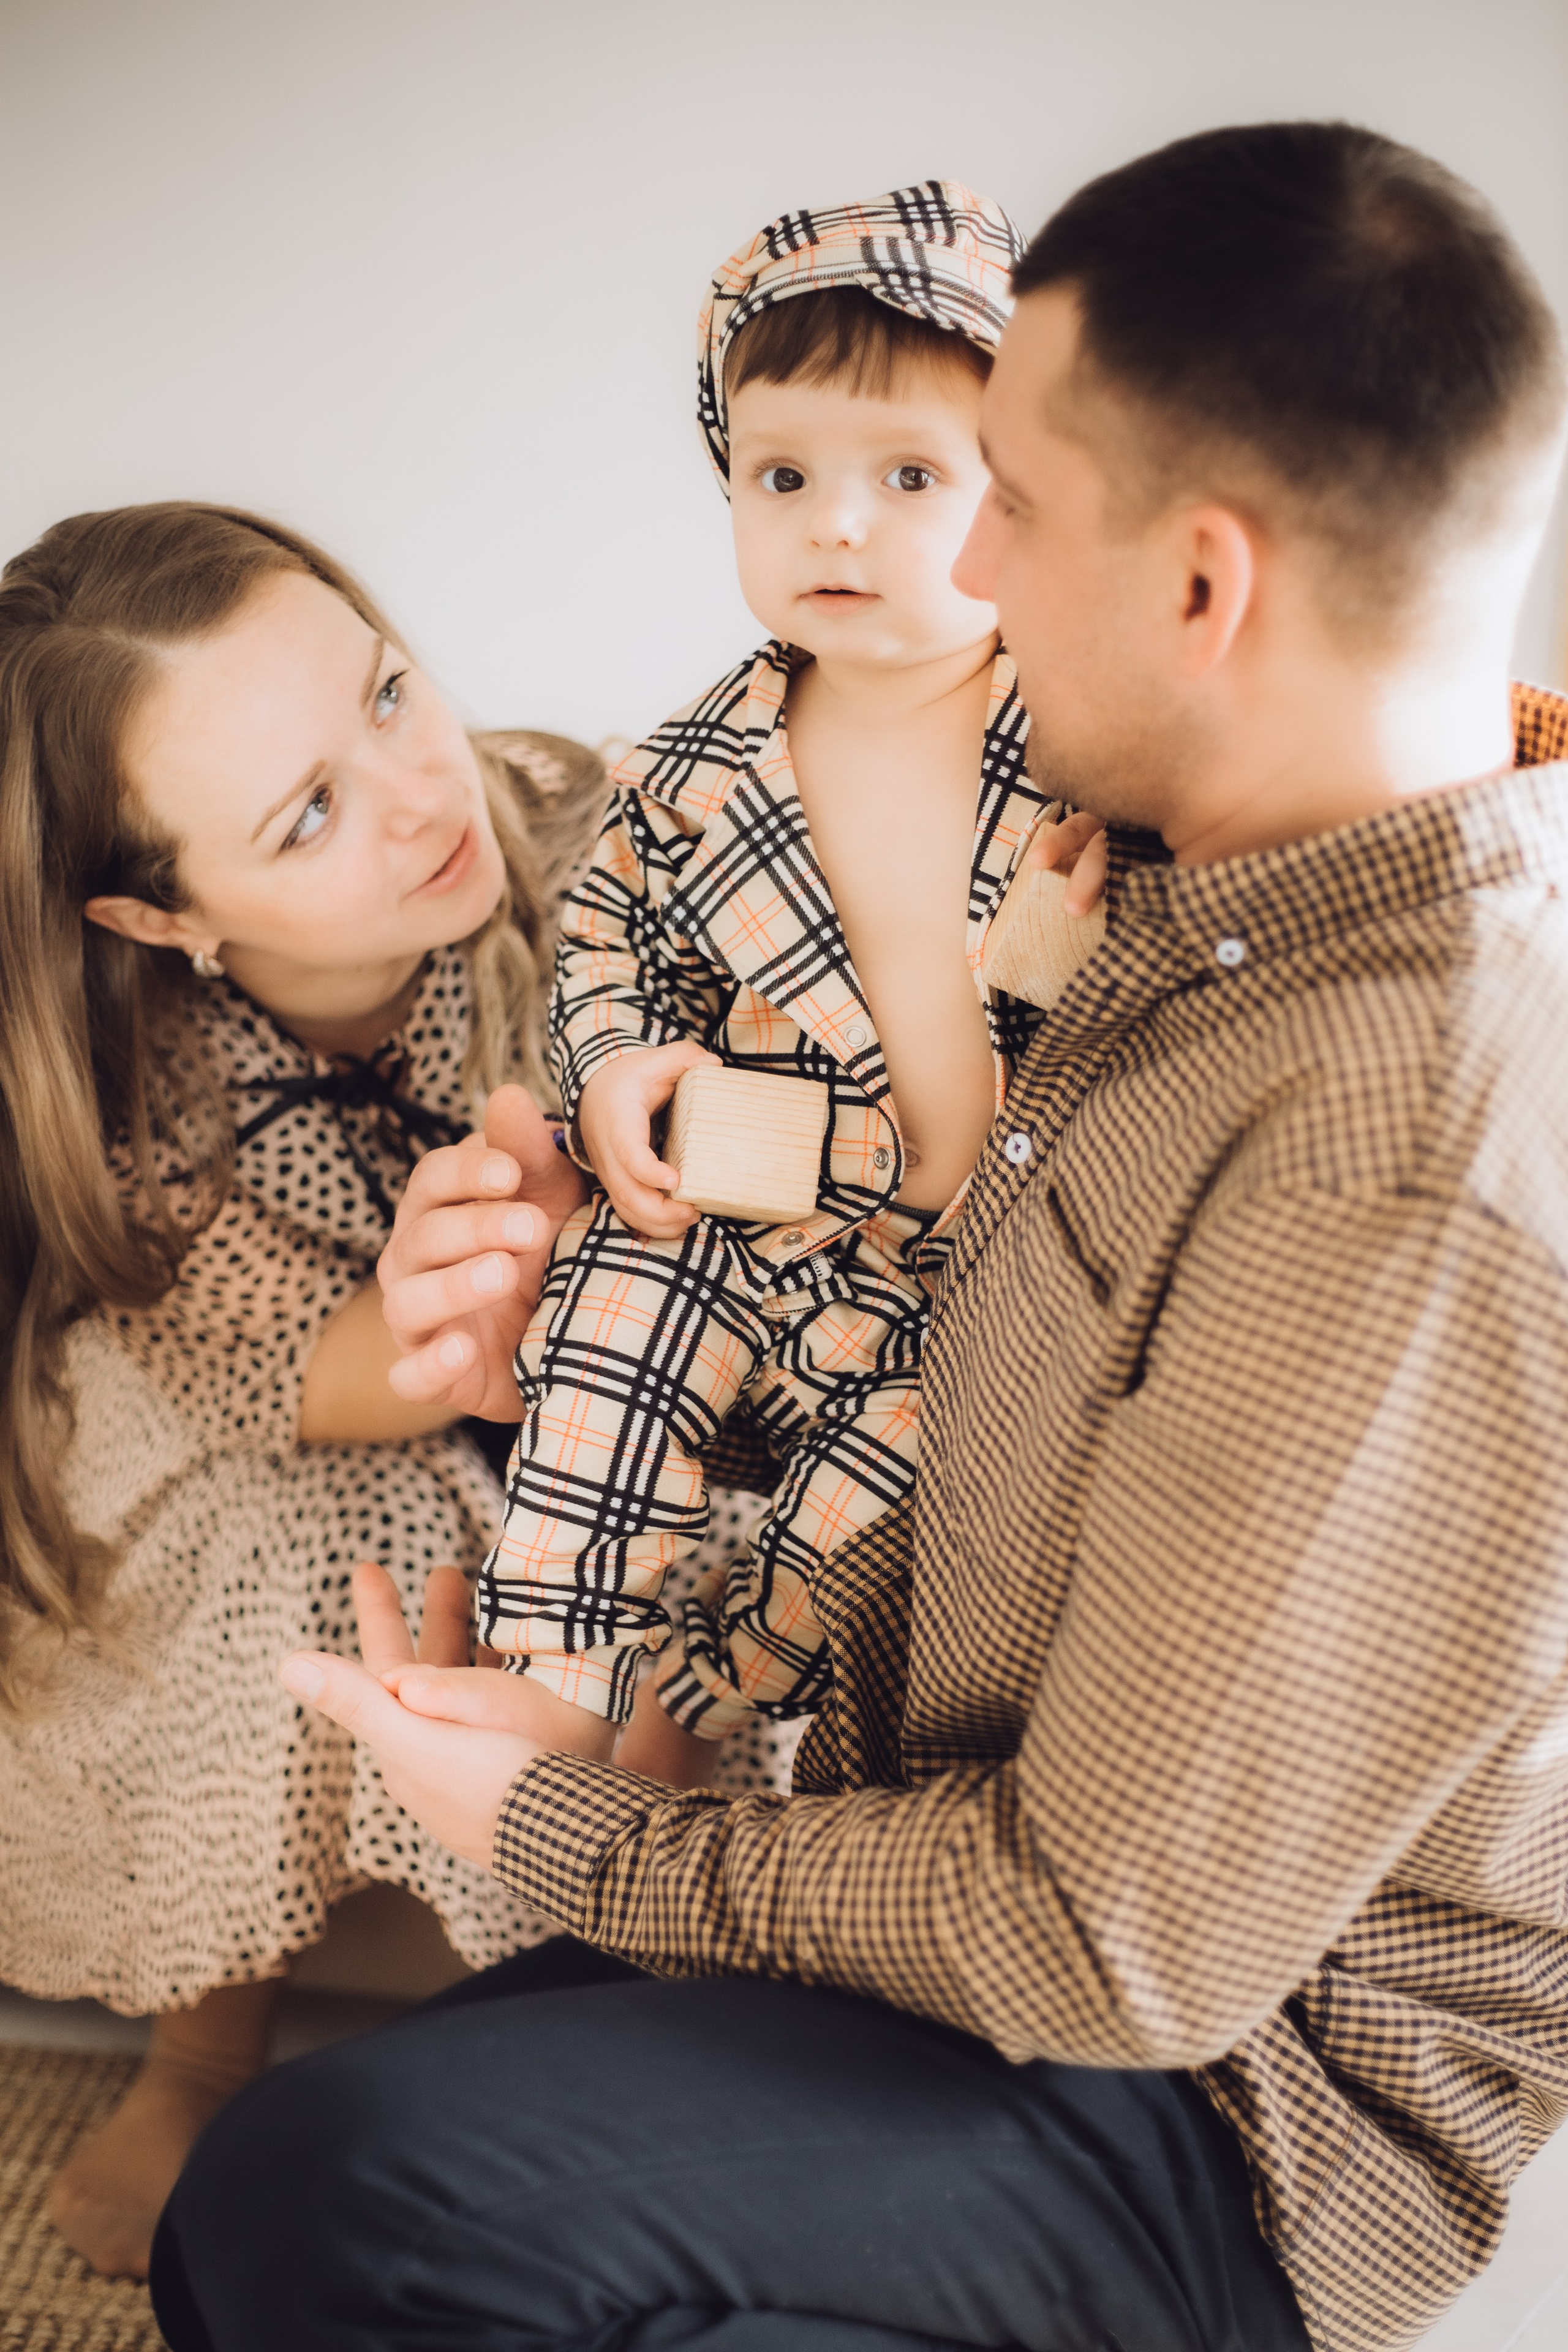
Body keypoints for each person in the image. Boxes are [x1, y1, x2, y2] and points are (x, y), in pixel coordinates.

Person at [152, 121, 1568, 2352]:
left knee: (340, 2205)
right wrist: (673, 1705)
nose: (948, 550)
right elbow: (970, 1383)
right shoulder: (1197, 891)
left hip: (1220, 2100)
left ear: (1202, 589)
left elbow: (1114, 1944)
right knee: (350, 2161)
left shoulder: (1398, 1149)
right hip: (992, 1882)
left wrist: (560, 1834)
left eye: (997, 488)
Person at [0, 501, 795, 2283]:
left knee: (720, 1568)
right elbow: (302, 1373)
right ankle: (207, 2039)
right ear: (159, 911)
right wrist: (445, 1320)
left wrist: (592, 1272)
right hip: (290, 1412)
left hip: (647, 1368)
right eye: (308, 812)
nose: (417, 793)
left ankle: (655, 1999)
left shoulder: (604, 857)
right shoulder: (139, 1082)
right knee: (275, 1571)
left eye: (384, 693)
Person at [478, 183, 1090, 1773]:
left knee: (880, 1505)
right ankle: (549, 1670)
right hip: (742, 1196)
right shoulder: (693, 765)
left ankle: (717, 1690)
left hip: (961, 1275)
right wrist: (611, 1070)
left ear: (1027, 498)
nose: (836, 523)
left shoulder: (1084, 740)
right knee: (600, 1333)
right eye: (783, 475)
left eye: (909, 478)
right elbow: (604, 936)